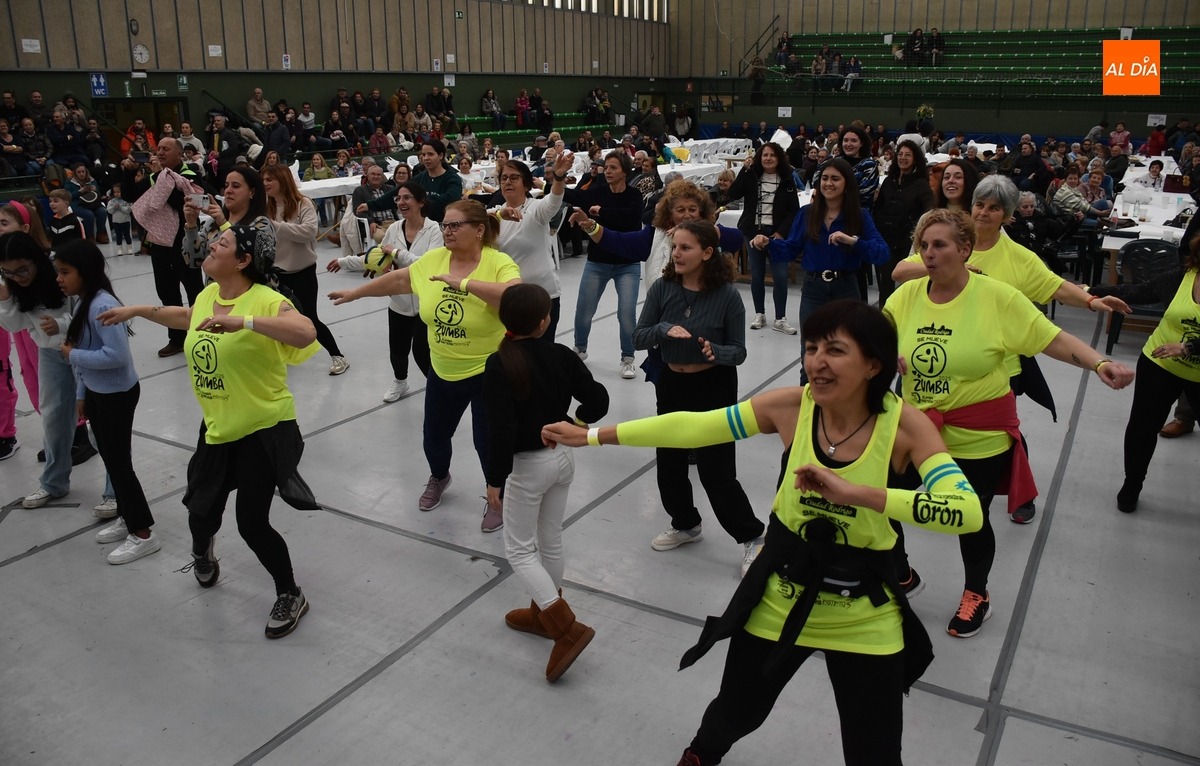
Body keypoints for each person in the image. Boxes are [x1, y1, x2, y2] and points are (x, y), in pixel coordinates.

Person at [542, 299, 986, 766]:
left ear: (874, 364)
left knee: (874, 752)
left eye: (835, 350)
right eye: (811, 348)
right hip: (781, 595)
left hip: (865, 614)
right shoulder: (791, 408)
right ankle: (701, 755)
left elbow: (966, 511)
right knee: (733, 713)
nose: (817, 361)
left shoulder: (905, 426)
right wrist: (591, 435)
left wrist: (858, 493)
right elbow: (695, 427)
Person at [883, 208, 1134, 637]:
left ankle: (976, 593)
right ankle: (901, 572)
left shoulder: (997, 298)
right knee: (882, 499)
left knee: (970, 518)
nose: (928, 254)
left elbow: (1051, 339)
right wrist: (886, 353)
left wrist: (1099, 362)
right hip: (915, 429)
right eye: (923, 246)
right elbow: (877, 337)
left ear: (965, 249)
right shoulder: (905, 296)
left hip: (976, 433)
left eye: (939, 245)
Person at [100, 222, 319, 637]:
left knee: (251, 523)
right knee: (200, 514)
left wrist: (245, 323)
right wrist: (138, 310)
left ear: (243, 260)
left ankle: (290, 593)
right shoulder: (207, 295)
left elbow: (306, 332)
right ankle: (203, 552)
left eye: (223, 243)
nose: (212, 245)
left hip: (264, 427)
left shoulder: (267, 300)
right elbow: (189, 317)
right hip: (218, 427)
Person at [329, 201, 521, 530]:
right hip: (443, 369)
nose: (447, 231)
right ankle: (439, 476)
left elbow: (514, 296)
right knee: (434, 436)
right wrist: (357, 293)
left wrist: (463, 284)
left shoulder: (498, 262)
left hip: (488, 370)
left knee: (487, 440)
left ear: (479, 230)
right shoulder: (434, 260)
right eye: (445, 225)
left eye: (455, 225)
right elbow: (400, 280)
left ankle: (497, 496)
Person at [623, 220, 765, 573]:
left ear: (707, 253)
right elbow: (638, 337)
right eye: (675, 247)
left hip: (714, 386)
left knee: (716, 471)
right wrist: (661, 329)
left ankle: (753, 537)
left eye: (685, 248)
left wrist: (716, 352)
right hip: (672, 384)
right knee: (669, 464)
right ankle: (686, 523)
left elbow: (739, 351)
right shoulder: (663, 288)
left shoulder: (727, 296)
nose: (676, 254)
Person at [486, 283, 609, 682]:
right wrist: (577, 424)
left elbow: (501, 429)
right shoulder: (561, 354)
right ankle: (541, 615)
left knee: (519, 550)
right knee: (550, 539)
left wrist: (494, 480)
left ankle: (564, 628)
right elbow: (599, 399)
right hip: (563, 459)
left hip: (527, 468)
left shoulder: (499, 363)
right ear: (545, 321)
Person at [54, 241, 159, 563]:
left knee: (120, 465)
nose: (59, 279)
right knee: (113, 461)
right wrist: (82, 394)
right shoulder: (83, 302)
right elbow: (87, 352)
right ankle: (128, 517)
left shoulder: (101, 305)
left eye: (65, 272)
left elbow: (116, 356)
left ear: (85, 272)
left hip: (117, 395)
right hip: (97, 392)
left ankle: (143, 534)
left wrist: (72, 354)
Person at [1086, 233, 1200, 512]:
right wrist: (1089, 291)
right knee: (1142, 428)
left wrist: (1188, 347)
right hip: (1159, 363)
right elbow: (1139, 291)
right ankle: (1132, 484)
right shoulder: (1182, 277)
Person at [765, 157, 888, 378]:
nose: (828, 183)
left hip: (846, 290)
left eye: (835, 179)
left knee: (847, 353)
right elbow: (791, 250)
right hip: (813, 291)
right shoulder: (807, 214)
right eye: (825, 178)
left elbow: (882, 254)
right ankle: (808, 400)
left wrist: (854, 241)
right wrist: (769, 244)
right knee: (810, 356)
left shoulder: (859, 215)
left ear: (847, 184)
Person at [328, 181, 440, 402]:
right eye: (398, 198)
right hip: (399, 303)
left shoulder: (434, 230)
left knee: (422, 352)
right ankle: (400, 382)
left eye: (407, 197)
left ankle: (438, 389)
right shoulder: (394, 229)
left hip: (426, 304)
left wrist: (397, 253)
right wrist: (343, 261)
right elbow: (376, 256)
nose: (401, 202)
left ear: (421, 202)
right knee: (397, 351)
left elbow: (426, 265)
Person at [0, 232, 78, 507]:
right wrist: (5, 298)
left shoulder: (62, 268)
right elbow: (15, 325)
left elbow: (91, 309)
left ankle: (115, 491)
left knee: (100, 422)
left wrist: (63, 325)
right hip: (50, 353)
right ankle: (54, 483)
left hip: (84, 350)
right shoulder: (12, 282)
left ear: (36, 259)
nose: (18, 277)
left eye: (22, 269)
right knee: (53, 418)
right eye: (8, 272)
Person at [561, 152, 644, 378]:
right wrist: (557, 178)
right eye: (606, 167)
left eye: (613, 167)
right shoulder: (597, 192)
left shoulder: (634, 195)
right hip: (598, 262)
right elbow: (571, 194)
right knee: (584, 309)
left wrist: (601, 212)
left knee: (626, 313)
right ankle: (580, 348)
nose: (607, 171)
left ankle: (628, 358)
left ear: (624, 172)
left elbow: (632, 218)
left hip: (627, 264)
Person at [262, 164, 348, 376]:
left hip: (303, 271)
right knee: (277, 317)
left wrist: (274, 225)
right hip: (276, 273)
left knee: (309, 317)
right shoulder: (265, 207)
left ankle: (338, 356)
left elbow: (309, 232)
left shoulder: (303, 203)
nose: (265, 183)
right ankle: (282, 356)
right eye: (263, 179)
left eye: (269, 180)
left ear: (282, 181)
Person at [492, 153, 572, 340]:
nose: (507, 182)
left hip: (541, 297)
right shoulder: (495, 213)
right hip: (508, 298)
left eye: (514, 177)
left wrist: (558, 177)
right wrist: (499, 215)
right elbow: (471, 221)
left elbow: (554, 199)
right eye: (504, 178)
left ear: (527, 184)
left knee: (540, 354)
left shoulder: (536, 209)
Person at [725, 143, 800, 334]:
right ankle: (760, 313)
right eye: (765, 155)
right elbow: (733, 194)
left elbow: (794, 210)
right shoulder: (752, 176)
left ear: (779, 158)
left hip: (776, 234)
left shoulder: (787, 179)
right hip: (753, 232)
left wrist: (781, 232)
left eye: (772, 155)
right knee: (757, 275)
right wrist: (744, 170)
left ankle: (780, 318)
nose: (768, 158)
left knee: (780, 276)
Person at [0, 203, 52, 462]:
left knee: (46, 375)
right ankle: (54, 430)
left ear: (25, 228)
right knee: (29, 374)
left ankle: (74, 430)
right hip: (17, 326)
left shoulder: (42, 265)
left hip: (40, 332)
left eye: (4, 223)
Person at [873, 140, 934, 306]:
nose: (903, 158)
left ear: (915, 159)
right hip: (887, 239)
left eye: (908, 155)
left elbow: (929, 211)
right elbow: (878, 207)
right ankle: (884, 315)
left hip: (908, 241)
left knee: (908, 283)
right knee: (886, 281)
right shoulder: (888, 181)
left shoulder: (921, 184)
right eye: (900, 154)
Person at [364, 139, 462, 223]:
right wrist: (370, 205)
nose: (426, 158)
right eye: (424, 154)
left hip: (445, 226)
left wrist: (419, 200)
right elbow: (397, 193)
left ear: (440, 155)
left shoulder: (452, 178)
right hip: (422, 227)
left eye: (430, 154)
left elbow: (451, 199)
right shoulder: (420, 178)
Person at [106, 182, 134, 255]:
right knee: (118, 236)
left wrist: (120, 207)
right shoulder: (112, 201)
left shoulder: (126, 200)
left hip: (125, 221)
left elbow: (129, 209)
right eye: (115, 192)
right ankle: (119, 249)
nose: (116, 194)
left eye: (118, 192)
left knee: (127, 235)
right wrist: (114, 207)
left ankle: (129, 248)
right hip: (116, 222)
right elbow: (109, 210)